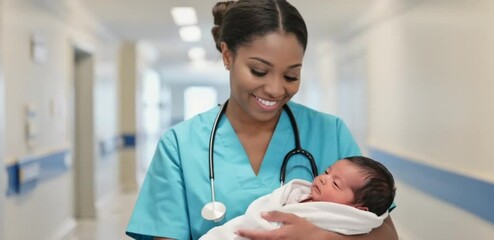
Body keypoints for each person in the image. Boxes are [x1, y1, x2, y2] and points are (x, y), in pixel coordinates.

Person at [126, 0, 398, 239]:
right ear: (227, 55)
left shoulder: (330, 132)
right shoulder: (179, 145)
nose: (276, 90)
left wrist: (318, 237)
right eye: (258, 71)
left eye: (291, 76)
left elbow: (385, 232)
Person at [200, 156, 396, 239]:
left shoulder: (341, 219)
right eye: (327, 172)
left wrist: (321, 237)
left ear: (358, 210)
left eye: (335, 184)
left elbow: (387, 235)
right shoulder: (298, 193)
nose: (323, 179)